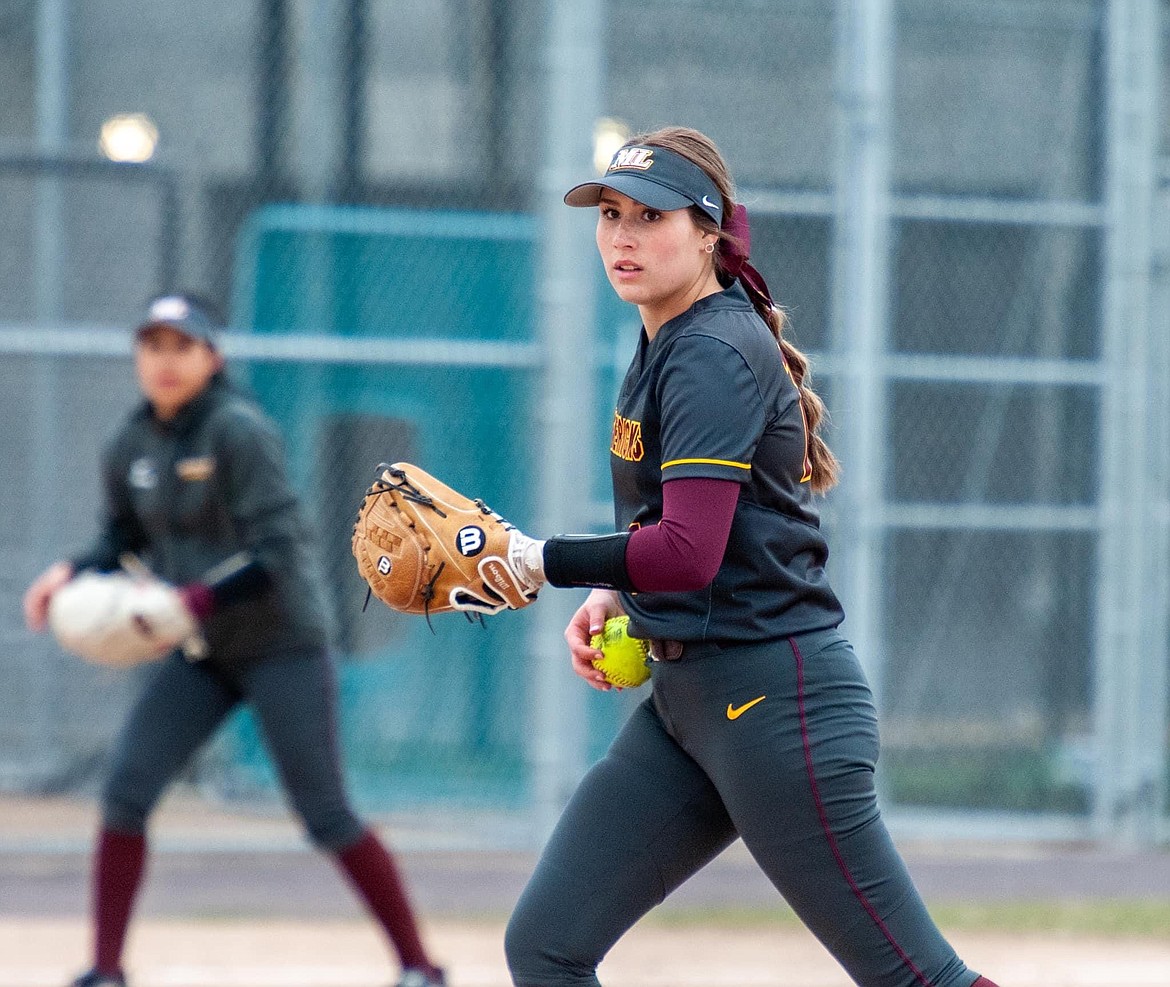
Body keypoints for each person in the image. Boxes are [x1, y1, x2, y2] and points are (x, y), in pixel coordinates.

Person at [497, 128, 1002, 987]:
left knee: (917, 978)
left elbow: (689, 551)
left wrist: (537, 559)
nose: (622, 234)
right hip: (689, 708)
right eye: (609, 214)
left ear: (707, 232)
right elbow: (698, 531)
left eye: (649, 216)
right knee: (547, 944)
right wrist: (619, 593)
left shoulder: (712, 354)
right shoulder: (667, 338)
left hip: (778, 706)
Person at [23, 294, 446, 987]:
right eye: (152, 345)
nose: (164, 360)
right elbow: (121, 538)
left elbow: (279, 550)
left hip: (282, 642)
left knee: (325, 813)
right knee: (126, 791)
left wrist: (187, 599)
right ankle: (105, 969)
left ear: (210, 356)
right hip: (204, 649)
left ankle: (420, 967)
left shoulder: (237, 430)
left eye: (181, 345)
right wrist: (68, 571)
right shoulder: (133, 441)